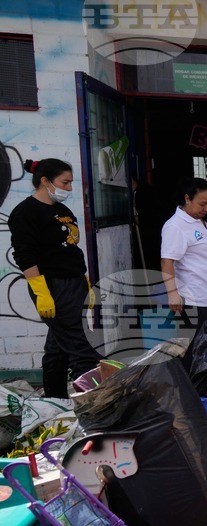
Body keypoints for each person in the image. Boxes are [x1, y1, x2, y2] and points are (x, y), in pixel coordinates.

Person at [8, 158, 100, 398]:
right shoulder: (25, 212)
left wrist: (84, 282)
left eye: (70, 182)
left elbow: (69, 249)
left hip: (74, 284)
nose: (70, 188)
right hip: (52, 286)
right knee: (82, 347)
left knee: (58, 348)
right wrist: (41, 291)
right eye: (65, 182)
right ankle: (97, 406)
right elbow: (25, 256)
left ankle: (54, 401)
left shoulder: (62, 210)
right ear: (45, 181)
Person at [160, 178, 207, 328]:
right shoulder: (176, 226)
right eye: (202, 204)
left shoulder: (201, 222)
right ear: (187, 198)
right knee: (195, 346)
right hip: (194, 299)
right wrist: (173, 293)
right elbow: (167, 261)